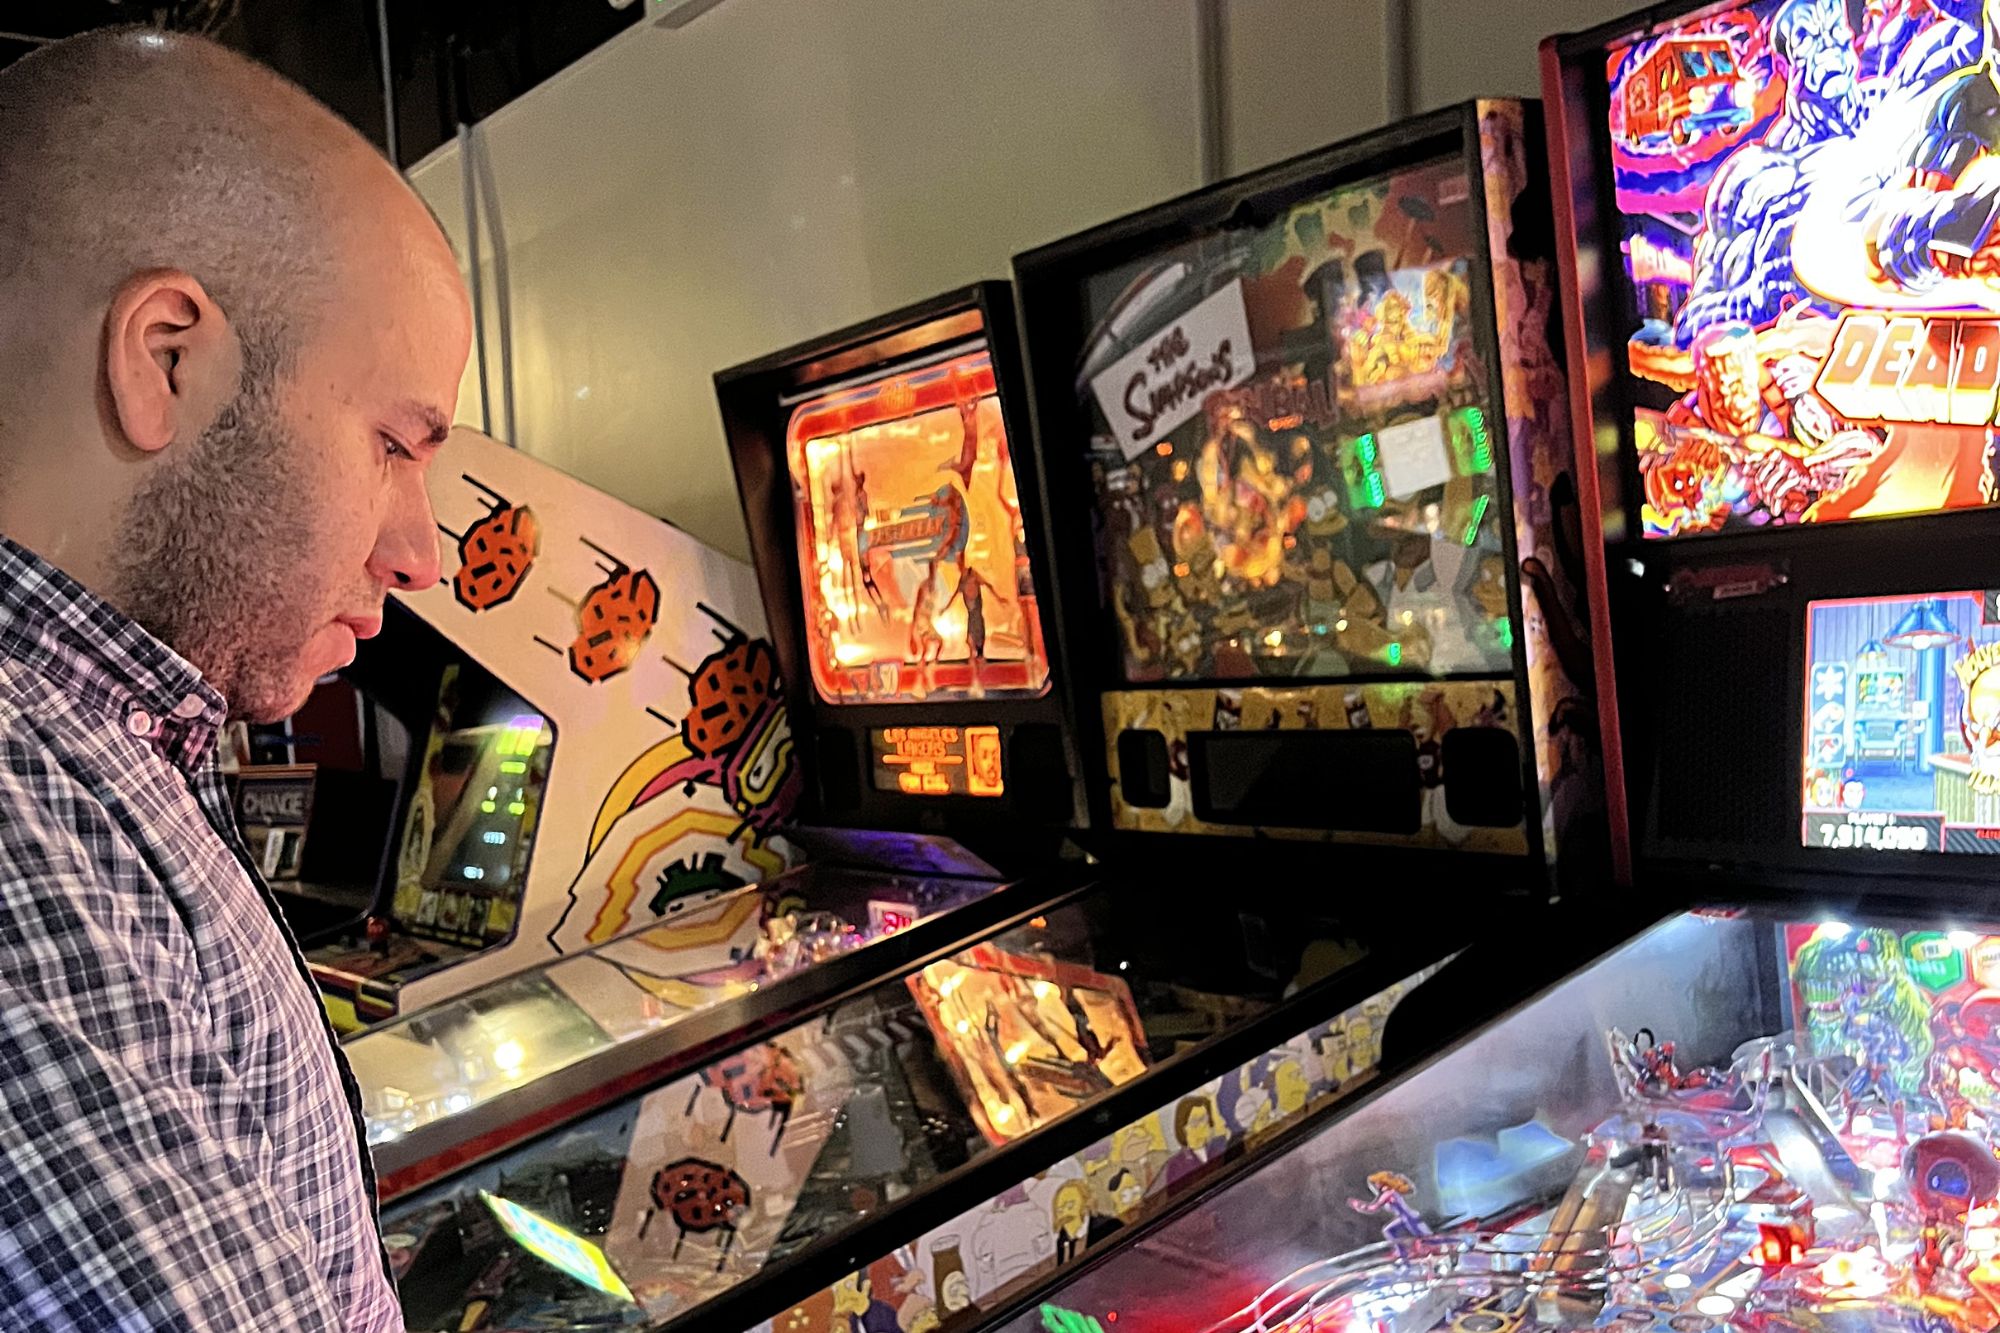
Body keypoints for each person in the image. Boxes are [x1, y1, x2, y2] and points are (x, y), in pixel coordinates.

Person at [0, 26, 470, 1332]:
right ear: (167, 360)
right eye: (393, 442)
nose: (422, 550)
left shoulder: (109, 743)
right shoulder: (23, 830)